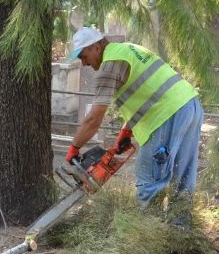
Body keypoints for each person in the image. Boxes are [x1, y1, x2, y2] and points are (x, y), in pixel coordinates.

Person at [65, 27, 204, 218]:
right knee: (183, 176)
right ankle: (180, 232)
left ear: (96, 47)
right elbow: (149, 91)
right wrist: (127, 131)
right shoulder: (128, 49)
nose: (83, 63)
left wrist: (74, 147)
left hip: (165, 115)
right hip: (190, 104)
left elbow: (94, 119)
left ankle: (145, 234)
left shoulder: (109, 66)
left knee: (149, 179)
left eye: (83, 56)